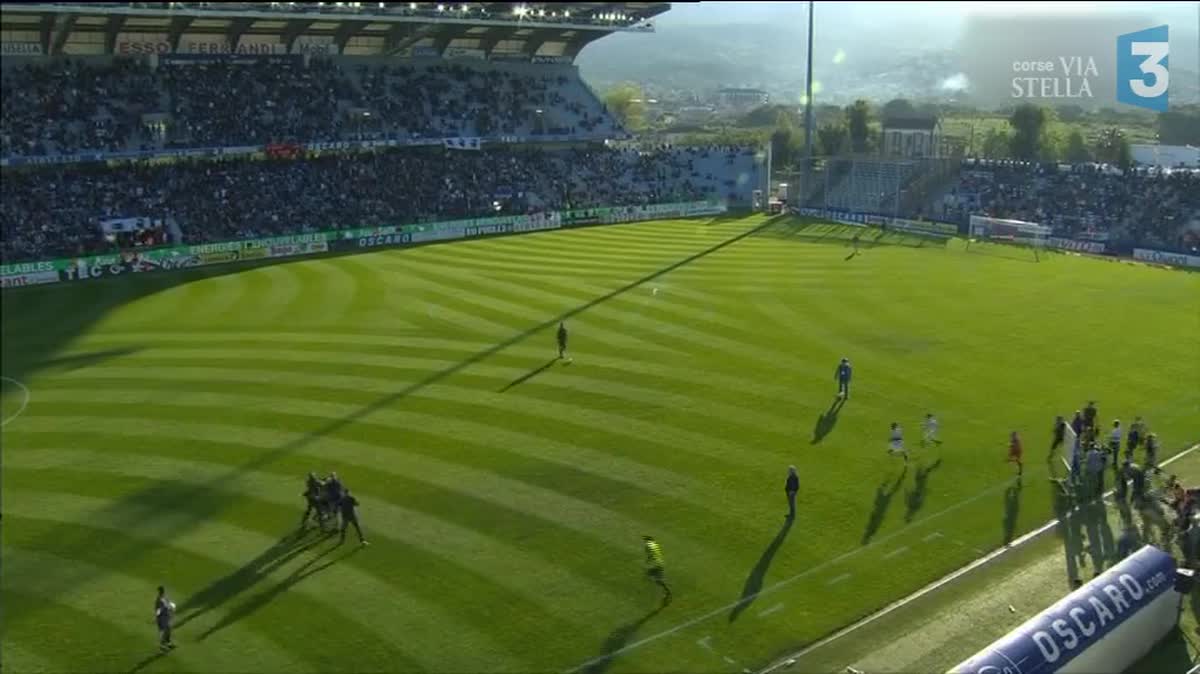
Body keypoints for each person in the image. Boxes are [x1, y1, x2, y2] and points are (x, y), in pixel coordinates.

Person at [642, 535, 671, 604]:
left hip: (655, 564)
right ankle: (666, 591)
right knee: (657, 579)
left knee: (650, 575)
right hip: (660, 563)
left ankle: (666, 591)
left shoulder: (648, 545)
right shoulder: (655, 544)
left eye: (645, 540)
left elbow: (650, 554)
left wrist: (648, 560)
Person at [155, 585, 176, 652]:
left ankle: (168, 643)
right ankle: (162, 646)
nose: (163, 592)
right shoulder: (159, 600)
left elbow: (168, 604)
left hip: (166, 617)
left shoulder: (164, 598)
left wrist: (171, 606)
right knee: (163, 632)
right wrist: (158, 617)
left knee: (168, 630)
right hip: (161, 618)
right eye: (162, 591)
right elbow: (158, 610)